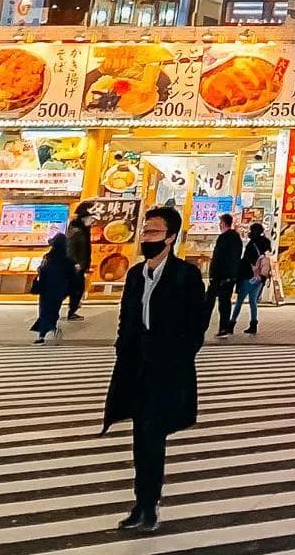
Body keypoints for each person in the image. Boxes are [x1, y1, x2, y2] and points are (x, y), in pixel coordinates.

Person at [103, 205, 207, 533]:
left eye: (154, 233)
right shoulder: (136, 275)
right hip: (137, 370)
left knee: (152, 436)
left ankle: (148, 504)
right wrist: (123, 351)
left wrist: (177, 356)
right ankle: (143, 503)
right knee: (141, 438)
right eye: (145, 232)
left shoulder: (185, 275)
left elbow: (196, 325)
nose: (147, 238)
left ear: (171, 237)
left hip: (168, 370)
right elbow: (126, 320)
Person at [31, 233, 77, 343]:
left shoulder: (48, 257)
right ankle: (52, 329)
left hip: (45, 288)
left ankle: (42, 334)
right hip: (59, 289)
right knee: (54, 310)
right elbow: (72, 275)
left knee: (44, 310)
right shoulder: (67, 259)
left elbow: (41, 270)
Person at [230, 222, 271, 334]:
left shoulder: (252, 244)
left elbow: (246, 260)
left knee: (239, 301)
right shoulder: (266, 243)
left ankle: (231, 324)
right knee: (253, 301)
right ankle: (253, 324)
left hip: (249, 276)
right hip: (261, 277)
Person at [208, 213, 242, 337]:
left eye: (220, 223)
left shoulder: (223, 238)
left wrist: (212, 274)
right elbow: (236, 257)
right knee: (225, 302)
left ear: (223, 224)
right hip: (231, 276)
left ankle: (202, 326)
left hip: (219, 276)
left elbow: (218, 258)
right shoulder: (237, 238)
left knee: (209, 302)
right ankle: (224, 327)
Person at [65, 203, 93, 320]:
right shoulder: (76, 230)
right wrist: (75, 263)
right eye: (89, 218)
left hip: (80, 265)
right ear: (83, 218)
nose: (90, 220)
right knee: (75, 289)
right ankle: (71, 312)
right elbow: (70, 248)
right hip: (75, 266)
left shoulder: (82, 229)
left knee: (74, 289)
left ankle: (71, 310)